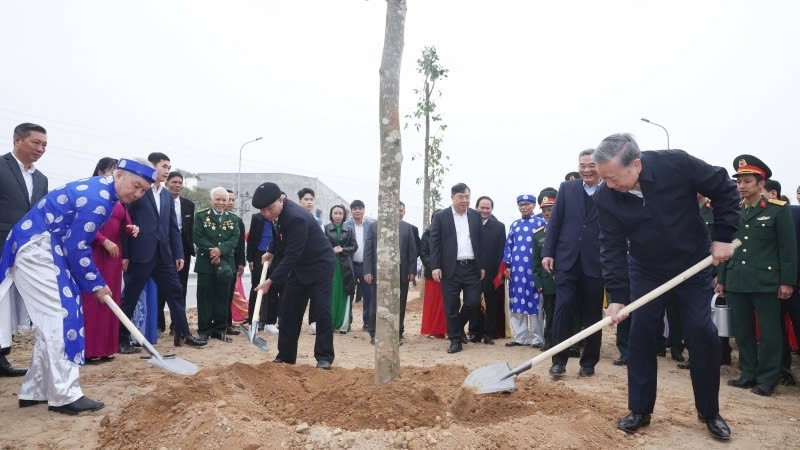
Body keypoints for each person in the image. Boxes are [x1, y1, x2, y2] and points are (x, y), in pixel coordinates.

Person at [595, 133, 738, 440]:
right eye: (603, 178)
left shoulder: (676, 164)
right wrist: (618, 297)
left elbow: (725, 187)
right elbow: (612, 247)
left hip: (692, 263)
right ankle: (640, 409)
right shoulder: (606, 197)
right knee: (642, 332)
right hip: (646, 269)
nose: (609, 184)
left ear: (636, 165)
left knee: (700, 330)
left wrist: (724, 235)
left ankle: (709, 412)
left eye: (613, 177)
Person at [0, 159, 154, 414]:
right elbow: (77, 246)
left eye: (143, 191)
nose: (137, 194)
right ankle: (65, 395)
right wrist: (97, 284)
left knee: (51, 321)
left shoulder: (103, 192)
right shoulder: (98, 199)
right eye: (136, 186)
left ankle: (36, 389)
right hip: (38, 249)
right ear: (118, 175)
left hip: (48, 248)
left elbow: (74, 241)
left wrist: (95, 283)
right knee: (63, 317)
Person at [716, 156, 797, 396]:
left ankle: (768, 378)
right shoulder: (735, 210)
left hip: (766, 282)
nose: (741, 186)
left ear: (761, 184)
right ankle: (748, 373)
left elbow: (787, 249)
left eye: (747, 181)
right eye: (739, 181)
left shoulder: (777, 210)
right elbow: (726, 246)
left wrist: (787, 281)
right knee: (742, 331)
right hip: (737, 279)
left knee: (770, 333)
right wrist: (722, 278)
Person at [120, 152, 206, 351]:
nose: (167, 171)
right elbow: (126, 222)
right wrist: (125, 254)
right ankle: (121, 339)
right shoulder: (139, 190)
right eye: (164, 167)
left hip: (164, 255)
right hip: (140, 254)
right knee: (130, 296)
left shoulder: (167, 195)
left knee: (176, 293)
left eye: (169, 167)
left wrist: (178, 253)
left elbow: (172, 227)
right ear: (153, 167)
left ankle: (183, 334)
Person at [253, 183, 335, 369]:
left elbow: (292, 254)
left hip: (319, 265)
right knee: (288, 311)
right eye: (262, 210)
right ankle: (286, 356)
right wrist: (271, 251)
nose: (266, 213)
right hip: (299, 268)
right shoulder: (277, 214)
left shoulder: (296, 217)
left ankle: (324, 357)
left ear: (280, 199)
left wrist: (271, 281)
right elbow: (279, 236)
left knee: (322, 312)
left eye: (269, 208)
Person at [542, 149, 604, 378]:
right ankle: (558, 360)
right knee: (563, 308)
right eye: (582, 165)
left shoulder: (610, 189)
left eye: (591, 165)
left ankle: (589, 362)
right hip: (566, 261)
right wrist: (548, 253)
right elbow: (555, 222)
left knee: (592, 314)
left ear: (600, 166)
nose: (586, 170)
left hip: (596, 263)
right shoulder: (567, 188)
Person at [0, 123, 49, 377]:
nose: (40, 149)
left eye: (44, 145)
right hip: (1, 247)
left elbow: (40, 215)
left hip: (27, 252)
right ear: (17, 140)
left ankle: (2, 357)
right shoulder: (1, 167)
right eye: (35, 143)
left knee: (9, 306)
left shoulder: (41, 179)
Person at [81, 158, 139, 362]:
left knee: (111, 301)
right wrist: (103, 240)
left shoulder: (117, 198)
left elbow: (125, 222)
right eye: (110, 171)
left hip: (113, 256)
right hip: (93, 253)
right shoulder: (90, 193)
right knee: (93, 300)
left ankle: (106, 348)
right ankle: (89, 350)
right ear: (100, 171)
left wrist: (132, 228)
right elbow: (83, 224)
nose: (114, 175)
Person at [429, 183, 484, 354]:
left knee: (473, 302)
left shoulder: (475, 216)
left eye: (467, 197)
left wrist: (482, 266)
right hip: (449, 269)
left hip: (472, 267)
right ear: (452, 197)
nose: (465, 200)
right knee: (451, 306)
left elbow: (481, 242)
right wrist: (435, 266)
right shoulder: (441, 217)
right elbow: (435, 243)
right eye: (461, 197)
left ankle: (457, 327)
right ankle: (455, 340)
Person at [363, 206, 417, 344]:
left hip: (401, 272)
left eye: (400, 209)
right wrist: (368, 270)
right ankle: (374, 333)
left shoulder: (407, 228)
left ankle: (397, 333)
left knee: (400, 303)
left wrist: (412, 270)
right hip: (379, 272)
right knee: (376, 303)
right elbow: (368, 250)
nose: (397, 211)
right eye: (394, 208)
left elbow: (412, 251)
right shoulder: (374, 226)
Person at [193, 187, 241, 342]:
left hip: (226, 263)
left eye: (224, 200)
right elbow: (197, 236)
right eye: (217, 199)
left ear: (227, 201)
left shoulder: (233, 218)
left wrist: (220, 250)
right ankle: (204, 330)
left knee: (223, 296)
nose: (221, 203)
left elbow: (235, 238)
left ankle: (220, 329)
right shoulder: (201, 216)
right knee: (205, 296)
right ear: (211, 200)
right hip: (205, 263)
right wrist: (213, 252)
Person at [503, 194, 547, 348]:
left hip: (534, 272)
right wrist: (507, 265)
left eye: (527, 204)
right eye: (521, 204)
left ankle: (536, 338)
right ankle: (520, 337)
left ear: (534, 206)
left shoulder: (541, 223)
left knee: (535, 303)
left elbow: (544, 247)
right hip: (516, 273)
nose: (524, 207)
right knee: (517, 302)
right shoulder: (514, 225)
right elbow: (508, 246)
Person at [158, 171, 195, 335]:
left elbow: (188, 230)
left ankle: (177, 325)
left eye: (180, 182)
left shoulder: (188, 205)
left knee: (180, 288)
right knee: (160, 289)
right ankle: (158, 325)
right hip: (161, 250)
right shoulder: (159, 199)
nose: (177, 185)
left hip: (182, 252)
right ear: (167, 183)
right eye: (174, 182)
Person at [471, 196, 506, 345]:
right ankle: (475, 332)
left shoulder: (499, 226)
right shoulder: (469, 223)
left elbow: (501, 251)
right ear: (476, 207)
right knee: (473, 303)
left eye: (488, 208)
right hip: (472, 272)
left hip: (492, 272)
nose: (484, 210)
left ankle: (489, 334)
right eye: (482, 207)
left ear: (492, 209)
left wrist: (499, 273)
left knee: (491, 304)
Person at [325, 205, 357, 333]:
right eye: (335, 213)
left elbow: (354, 246)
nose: (338, 216)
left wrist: (343, 250)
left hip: (345, 266)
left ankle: (343, 325)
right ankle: (329, 323)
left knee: (344, 293)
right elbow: (322, 244)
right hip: (330, 266)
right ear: (331, 214)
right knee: (330, 294)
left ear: (344, 215)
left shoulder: (349, 229)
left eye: (340, 213)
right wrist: (331, 250)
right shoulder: (326, 228)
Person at [532, 188, 557, 350]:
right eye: (545, 211)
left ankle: (569, 343)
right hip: (547, 283)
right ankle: (549, 342)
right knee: (549, 313)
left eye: (551, 210)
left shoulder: (566, 230)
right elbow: (535, 263)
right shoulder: (538, 234)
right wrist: (538, 282)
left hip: (565, 280)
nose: (547, 213)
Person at [344, 200, 373, 330]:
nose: (357, 211)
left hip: (366, 266)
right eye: (355, 208)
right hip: (350, 265)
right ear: (351, 211)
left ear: (364, 210)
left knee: (368, 296)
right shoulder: (346, 226)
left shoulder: (370, 226)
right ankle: (347, 322)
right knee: (348, 294)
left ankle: (367, 323)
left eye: (360, 208)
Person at [420, 209, 447, 338]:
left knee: (446, 304)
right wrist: (435, 267)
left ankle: (445, 329)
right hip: (432, 275)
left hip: (449, 274)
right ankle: (433, 329)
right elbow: (424, 255)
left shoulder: (450, 232)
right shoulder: (426, 234)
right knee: (433, 303)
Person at [225, 189, 244, 336]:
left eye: (233, 200)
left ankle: (227, 323)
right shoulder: (208, 218)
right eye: (228, 199)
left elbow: (240, 245)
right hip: (214, 261)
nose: (230, 203)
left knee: (229, 294)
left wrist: (241, 263)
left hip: (232, 263)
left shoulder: (238, 221)